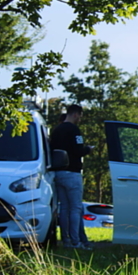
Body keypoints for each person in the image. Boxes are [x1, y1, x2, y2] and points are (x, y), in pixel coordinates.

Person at [51, 104, 94, 249]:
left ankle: (65, 239)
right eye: (80, 116)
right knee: (75, 208)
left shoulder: (56, 130)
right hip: (72, 172)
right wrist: (88, 149)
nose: (80, 119)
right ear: (76, 114)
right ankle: (76, 240)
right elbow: (78, 150)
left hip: (58, 172)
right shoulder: (74, 130)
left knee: (63, 208)